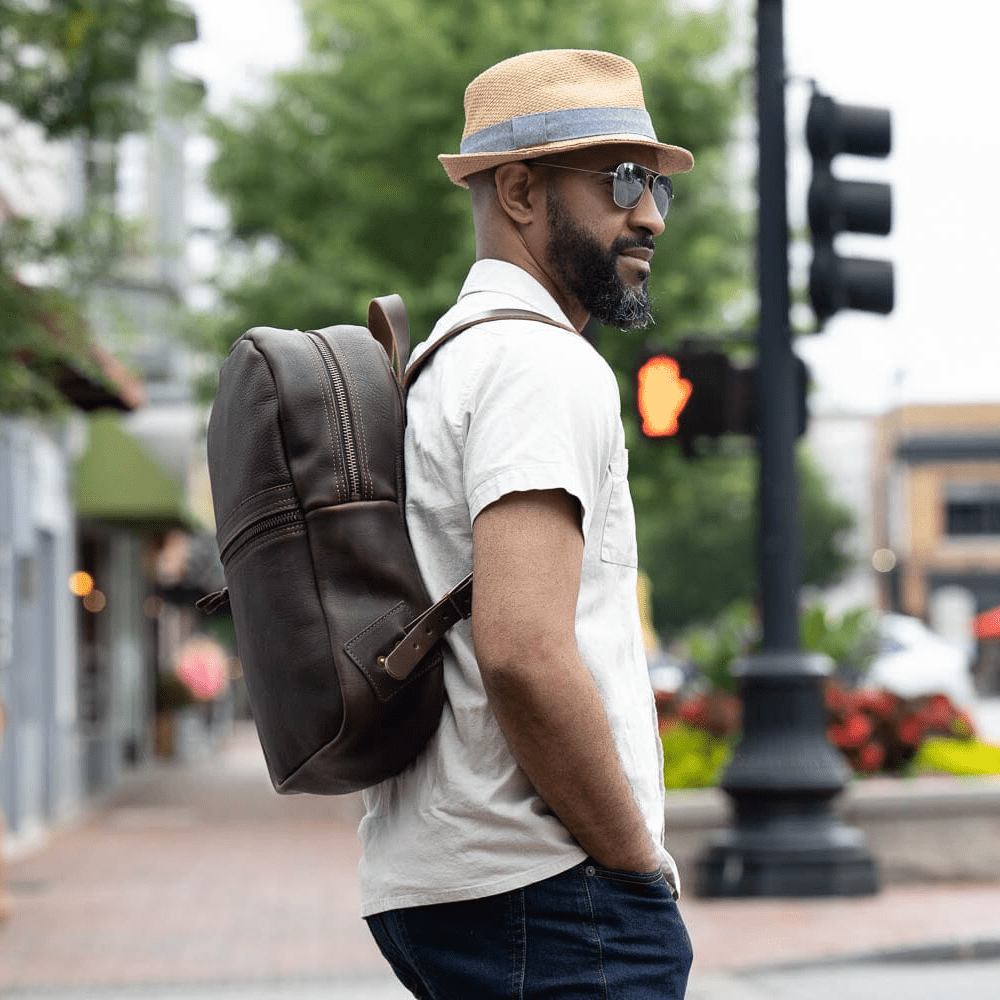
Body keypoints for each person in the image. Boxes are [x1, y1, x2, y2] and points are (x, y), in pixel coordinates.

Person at [359, 49, 695, 998]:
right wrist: (635, 868)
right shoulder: (541, 366)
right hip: (550, 888)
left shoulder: (444, 361)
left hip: (456, 876)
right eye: (623, 180)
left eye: (658, 185)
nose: (650, 215)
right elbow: (523, 651)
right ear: (517, 190)